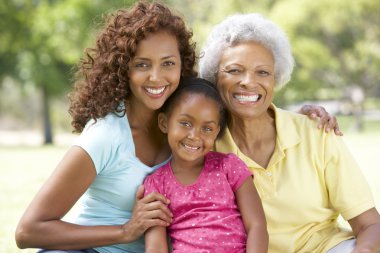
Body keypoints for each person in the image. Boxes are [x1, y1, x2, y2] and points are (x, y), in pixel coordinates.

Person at [15, 1, 341, 252]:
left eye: (168, 64)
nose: (157, 77)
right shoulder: (106, 135)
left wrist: (301, 114)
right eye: (142, 65)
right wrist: (126, 231)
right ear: (122, 69)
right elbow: (28, 230)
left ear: (183, 65)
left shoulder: (188, 124)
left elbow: (239, 101)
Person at [199, 13, 380, 253]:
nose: (248, 82)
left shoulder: (317, 133)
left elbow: (370, 224)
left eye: (262, 72)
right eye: (234, 70)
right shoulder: (204, 147)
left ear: (275, 79)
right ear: (214, 77)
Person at [143, 77, 268, 253]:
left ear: (216, 132)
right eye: (185, 123)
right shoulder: (157, 184)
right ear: (164, 123)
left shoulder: (229, 166)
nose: (194, 135)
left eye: (207, 129)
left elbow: (257, 226)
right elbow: (155, 247)